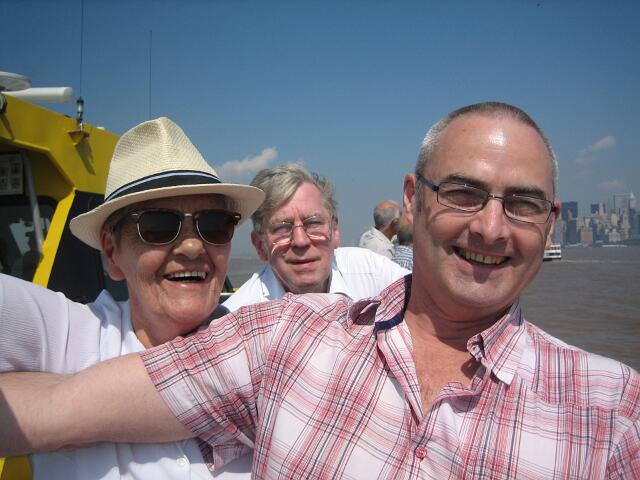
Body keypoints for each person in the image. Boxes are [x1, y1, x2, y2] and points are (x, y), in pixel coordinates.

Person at [1, 102, 639, 479]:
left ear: (550, 223)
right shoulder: (280, 338)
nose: (491, 227)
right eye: (463, 193)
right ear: (413, 201)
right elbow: (54, 408)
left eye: (522, 203)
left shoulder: (615, 415)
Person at [0, 117, 265, 479]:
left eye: (214, 224)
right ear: (111, 252)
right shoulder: (68, 336)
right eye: (158, 225)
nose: (192, 246)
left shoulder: (264, 344)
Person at [222, 164, 409, 313]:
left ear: (335, 231)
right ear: (259, 245)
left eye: (313, 223)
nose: (301, 241)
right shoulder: (236, 320)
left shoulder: (373, 273)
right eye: (282, 228)